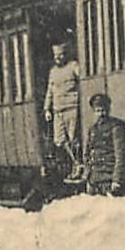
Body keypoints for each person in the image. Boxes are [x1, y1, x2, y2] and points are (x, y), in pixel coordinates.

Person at [42, 42, 83, 182]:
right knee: (59, 140)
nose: (58, 58)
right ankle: (74, 163)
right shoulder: (53, 71)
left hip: (72, 107)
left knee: (73, 139)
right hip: (58, 110)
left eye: (61, 55)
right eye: (56, 55)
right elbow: (50, 91)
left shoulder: (73, 66)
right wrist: (47, 108)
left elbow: (83, 80)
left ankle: (78, 165)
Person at [81, 92, 125, 196]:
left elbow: (120, 155)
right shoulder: (92, 129)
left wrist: (117, 179)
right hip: (94, 180)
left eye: (103, 110)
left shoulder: (116, 126)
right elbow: (87, 154)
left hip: (109, 179)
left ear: (108, 110)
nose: (101, 114)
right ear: (94, 112)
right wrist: (87, 177)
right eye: (98, 111)